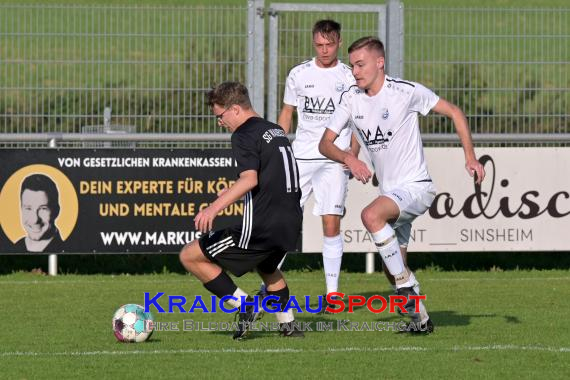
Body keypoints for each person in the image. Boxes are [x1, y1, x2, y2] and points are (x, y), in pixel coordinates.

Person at [318, 36, 486, 333]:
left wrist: (471, 158)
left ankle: (408, 288)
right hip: (391, 193)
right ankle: (421, 320)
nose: (355, 71)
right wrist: (350, 158)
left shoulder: (405, 92)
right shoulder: (350, 98)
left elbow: (455, 113)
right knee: (391, 267)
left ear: (379, 62)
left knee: (371, 216)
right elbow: (325, 143)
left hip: (416, 187)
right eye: (353, 66)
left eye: (361, 65)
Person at [179, 81, 304, 339]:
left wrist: (212, 209)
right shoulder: (274, 130)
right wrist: (229, 193)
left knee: (190, 255)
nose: (219, 122)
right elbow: (269, 177)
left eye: (220, 116)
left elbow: (250, 179)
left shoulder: (243, 134)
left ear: (235, 109)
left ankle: (246, 307)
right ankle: (289, 327)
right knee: (268, 266)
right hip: (290, 221)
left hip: (262, 224)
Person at [262, 20, 358, 307]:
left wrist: (352, 155)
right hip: (301, 156)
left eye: (329, 44)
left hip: (335, 158)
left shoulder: (350, 75)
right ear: (313, 43)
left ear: (339, 42)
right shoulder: (299, 74)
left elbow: (358, 118)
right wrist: (279, 149)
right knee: (284, 222)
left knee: (331, 223)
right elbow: (287, 111)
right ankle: (268, 286)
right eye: (319, 44)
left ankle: (332, 294)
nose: (324, 49)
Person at [15, 173, 64, 253]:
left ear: (56, 211)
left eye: (43, 209)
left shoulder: (67, 250)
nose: (35, 220)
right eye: (28, 208)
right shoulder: (13, 249)